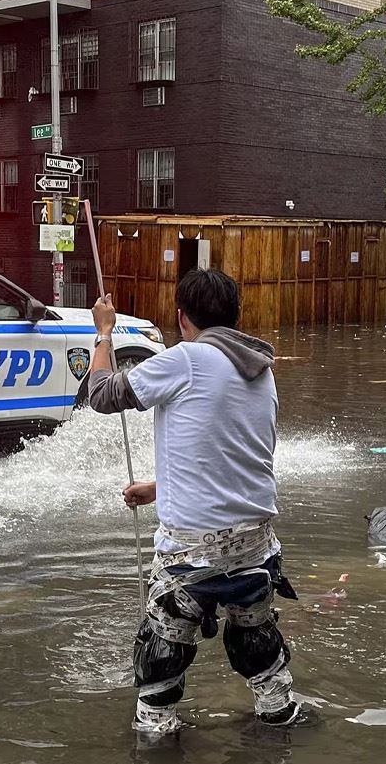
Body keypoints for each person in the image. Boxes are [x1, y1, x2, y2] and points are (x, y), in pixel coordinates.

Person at [87, 269, 299, 735]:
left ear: (182, 318)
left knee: (160, 663)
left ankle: (158, 738)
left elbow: (101, 395)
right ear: (235, 315)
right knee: (260, 651)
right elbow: (235, 455)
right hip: (257, 548)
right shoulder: (260, 370)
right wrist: (161, 487)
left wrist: (103, 333)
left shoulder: (186, 358)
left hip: (190, 554)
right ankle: (281, 724)